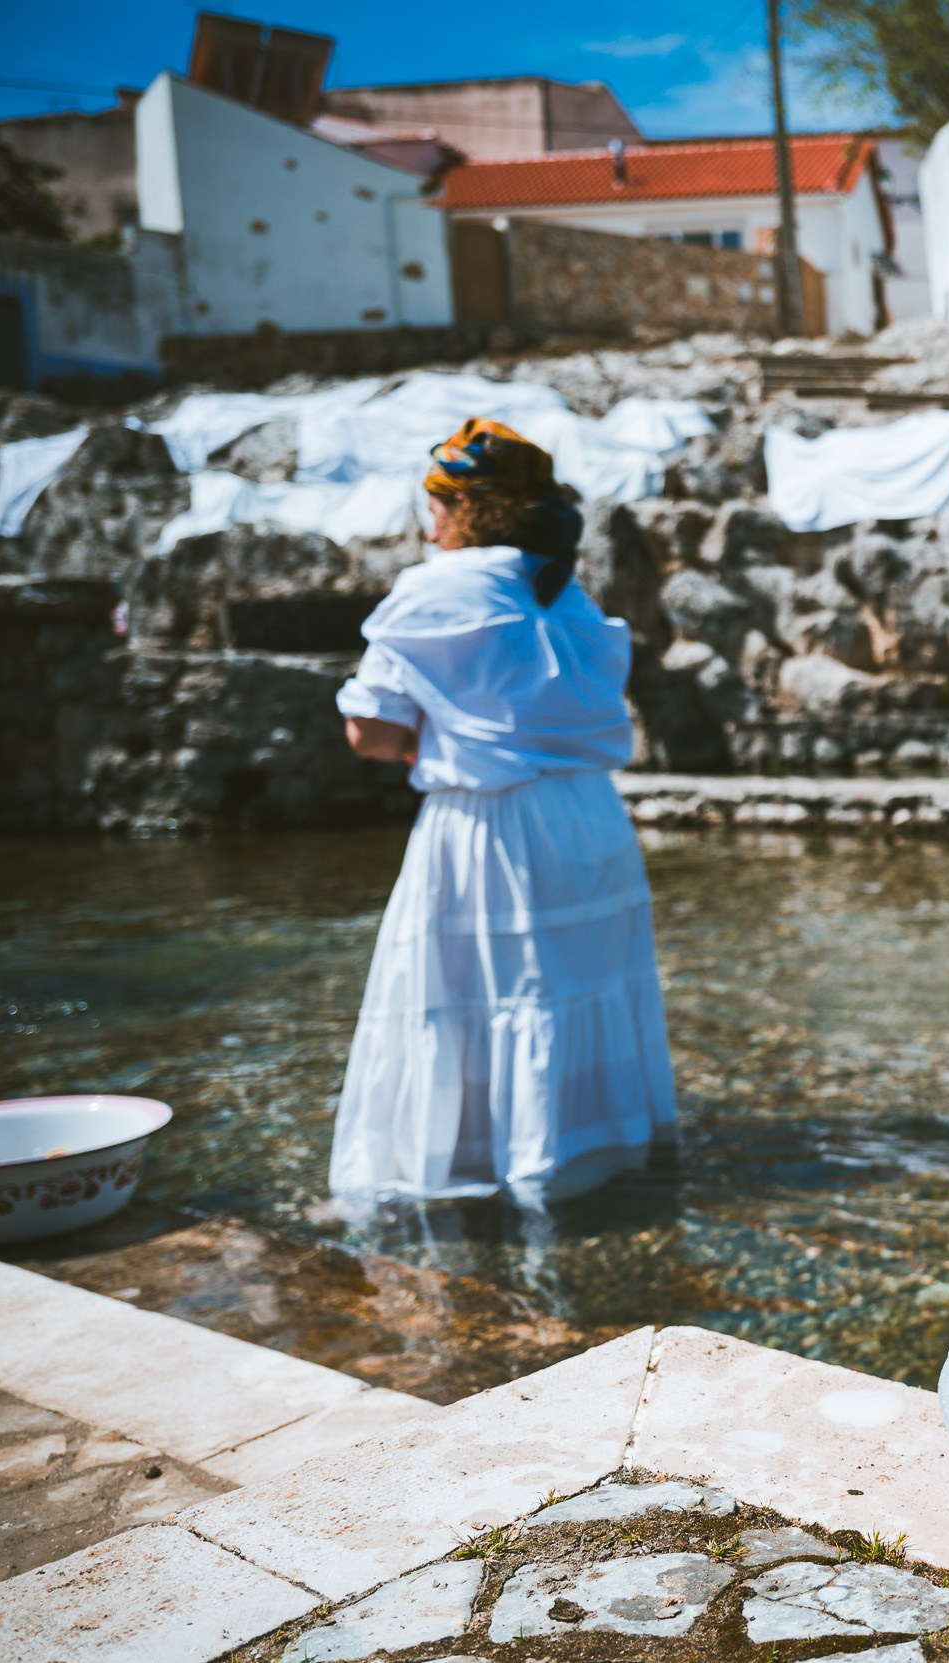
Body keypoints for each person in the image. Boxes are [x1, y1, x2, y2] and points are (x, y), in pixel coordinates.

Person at [330, 419, 676, 1207]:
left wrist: (429, 735)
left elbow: (369, 731)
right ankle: (580, 1150)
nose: (428, 520)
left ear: (467, 508)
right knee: (571, 989)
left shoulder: (434, 588)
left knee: (484, 995)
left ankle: (489, 1163)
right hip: (589, 819)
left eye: (437, 501)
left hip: (492, 828)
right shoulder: (570, 595)